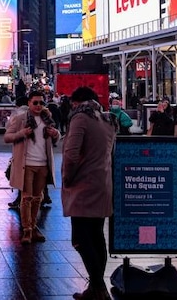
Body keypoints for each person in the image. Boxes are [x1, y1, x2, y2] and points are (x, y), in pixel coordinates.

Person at [62, 86, 116, 300]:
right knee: (96, 236)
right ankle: (95, 288)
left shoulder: (80, 119)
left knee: (81, 239)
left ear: (77, 102)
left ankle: (99, 287)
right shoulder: (108, 120)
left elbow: (71, 154)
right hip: (102, 184)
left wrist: (67, 178)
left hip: (83, 187)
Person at [4, 90, 60, 244]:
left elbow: (55, 138)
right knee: (26, 197)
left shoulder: (47, 118)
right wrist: (22, 133)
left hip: (43, 164)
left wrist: (55, 134)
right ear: (29, 103)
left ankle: (34, 227)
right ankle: (27, 229)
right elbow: (7, 137)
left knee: (37, 198)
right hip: (26, 164)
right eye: (35, 102)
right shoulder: (21, 118)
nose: (38, 106)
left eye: (41, 103)